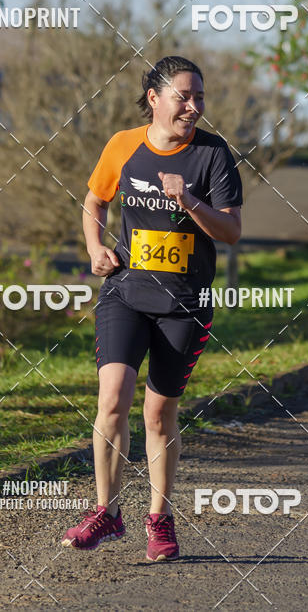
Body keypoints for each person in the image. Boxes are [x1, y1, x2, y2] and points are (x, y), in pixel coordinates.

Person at [61, 55, 242, 560]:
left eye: (200, 97)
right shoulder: (123, 145)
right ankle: (107, 513)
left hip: (184, 303)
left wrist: (190, 203)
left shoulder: (213, 155)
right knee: (112, 398)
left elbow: (230, 232)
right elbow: (93, 202)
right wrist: (96, 249)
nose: (194, 106)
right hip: (125, 293)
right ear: (154, 99)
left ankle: (160, 520)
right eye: (184, 96)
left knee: (159, 414)